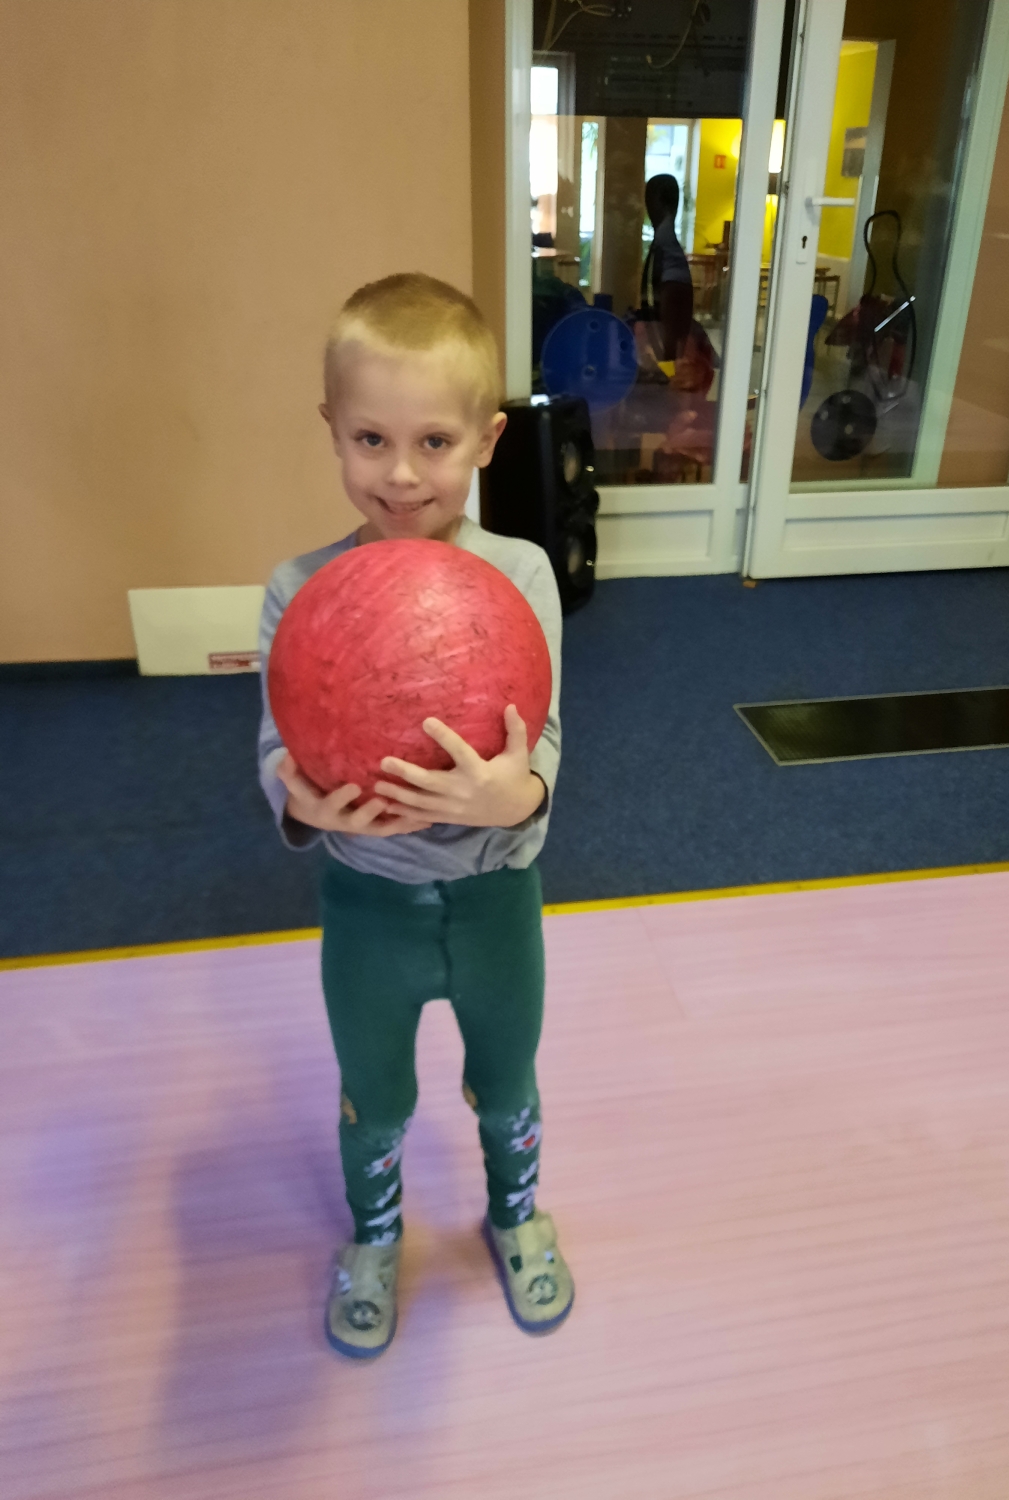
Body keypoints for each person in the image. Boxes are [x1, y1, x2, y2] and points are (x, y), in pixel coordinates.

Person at [257, 273, 572, 1358]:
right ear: (332, 431)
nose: (400, 473)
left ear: (486, 440)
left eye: (434, 441)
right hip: (369, 909)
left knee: (508, 1083)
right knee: (375, 1096)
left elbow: (546, 745)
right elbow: (275, 748)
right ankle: (376, 1238)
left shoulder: (521, 574)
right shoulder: (299, 590)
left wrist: (513, 795)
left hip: (496, 904)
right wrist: (297, 797)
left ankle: (517, 1217)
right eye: (371, 439)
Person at [642, 172, 694, 362]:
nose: (647, 207)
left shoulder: (665, 241)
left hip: (669, 296)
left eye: (650, 200)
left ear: (662, 204)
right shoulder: (664, 238)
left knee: (669, 349)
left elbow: (670, 290)